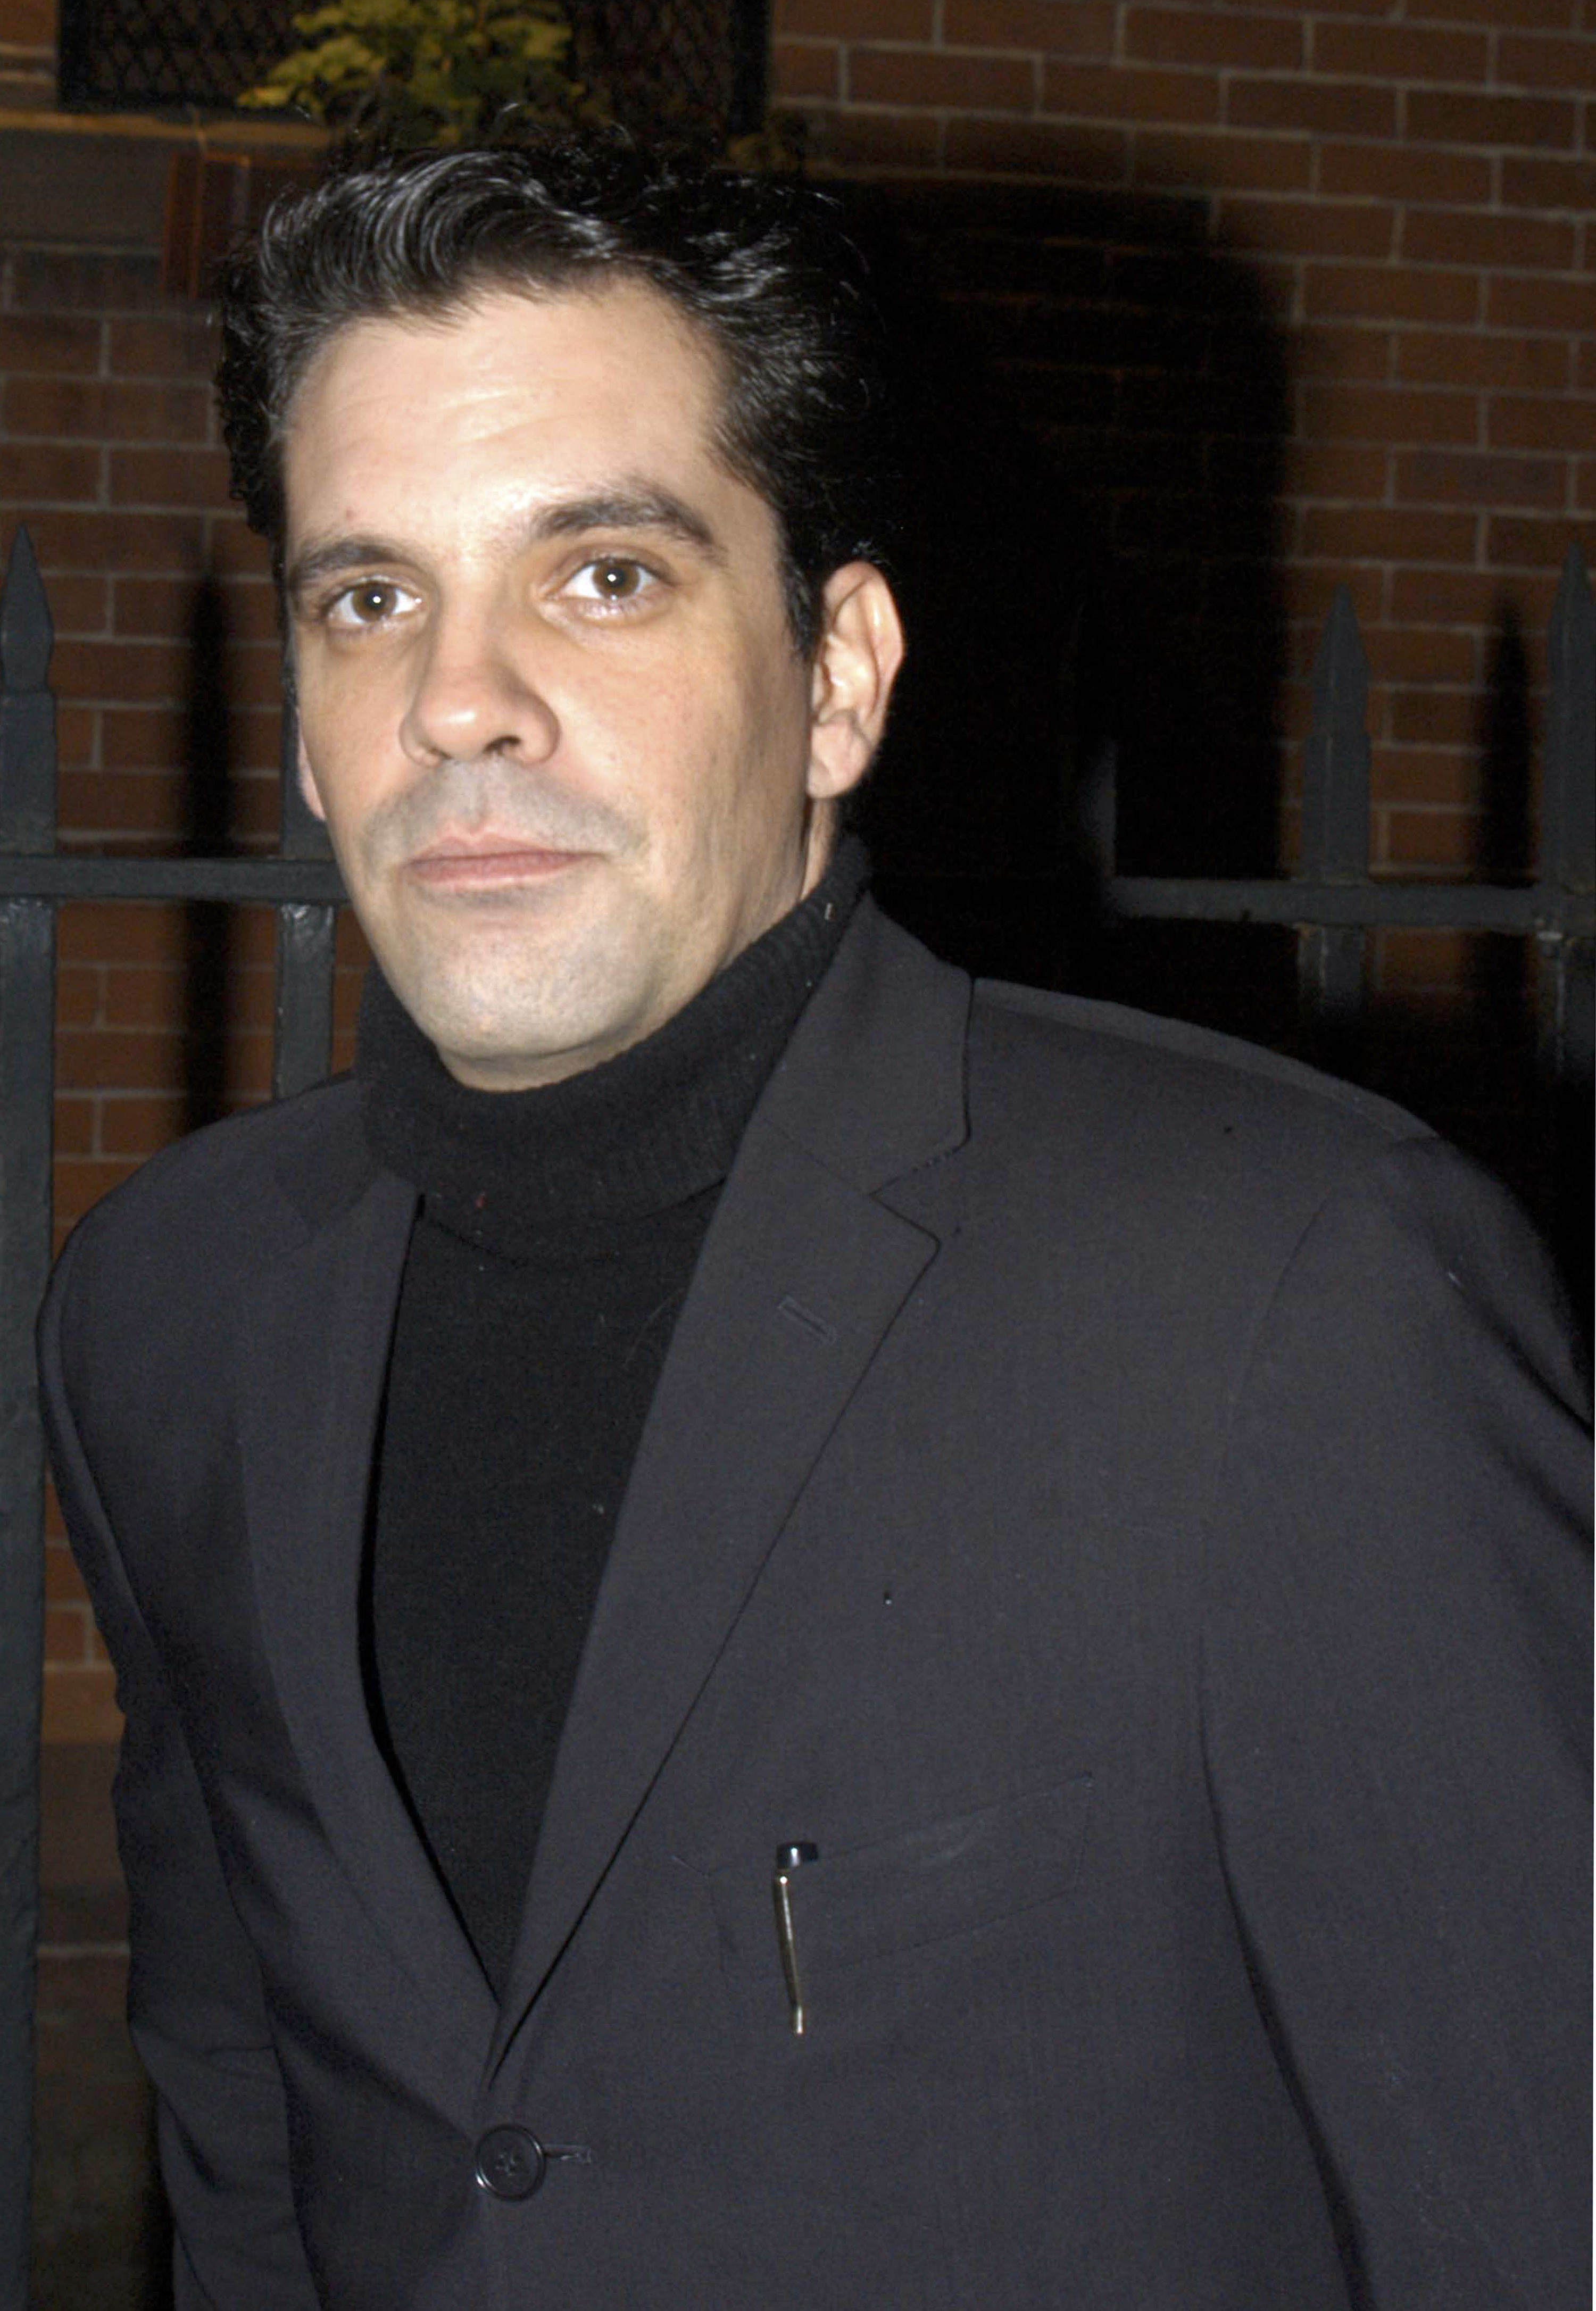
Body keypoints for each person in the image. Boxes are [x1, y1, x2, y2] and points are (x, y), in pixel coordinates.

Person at [38, 135, 1589, 2311]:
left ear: (840, 676)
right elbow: (243, 2119)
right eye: (369, 597)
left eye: (605, 574)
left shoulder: (1292, 1294)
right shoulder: (169, 1311)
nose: (456, 701)